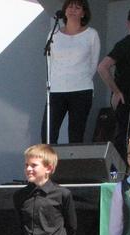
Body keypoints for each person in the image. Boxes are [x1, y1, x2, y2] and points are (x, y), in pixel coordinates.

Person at [42, 0, 100, 144]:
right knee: (48, 134)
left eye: (77, 7)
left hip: (81, 89)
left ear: (83, 13)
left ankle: (74, 166)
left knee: (76, 135)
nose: (73, 9)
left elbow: (93, 63)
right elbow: (50, 61)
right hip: (56, 90)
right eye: (70, 6)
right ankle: (50, 165)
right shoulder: (54, 34)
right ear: (64, 10)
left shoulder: (91, 34)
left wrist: (80, 78)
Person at [97, 6, 130, 161]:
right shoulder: (124, 44)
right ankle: (120, 172)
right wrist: (116, 91)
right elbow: (102, 67)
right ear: (129, 23)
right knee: (124, 136)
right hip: (124, 97)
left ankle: (129, 169)